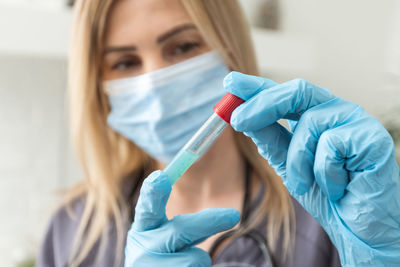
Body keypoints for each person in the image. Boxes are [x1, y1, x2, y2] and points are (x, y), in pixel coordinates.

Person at [36, 0, 400, 267]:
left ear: (229, 47)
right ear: (96, 85)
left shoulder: (328, 216)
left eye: (183, 46)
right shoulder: (73, 232)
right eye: (125, 62)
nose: (154, 82)